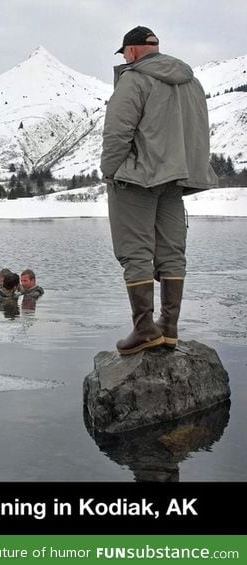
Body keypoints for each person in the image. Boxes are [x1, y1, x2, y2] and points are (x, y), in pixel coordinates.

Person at [101, 26, 218, 355]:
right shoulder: (190, 82)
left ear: (134, 51)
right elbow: (197, 132)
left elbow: (117, 132)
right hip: (175, 177)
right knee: (171, 251)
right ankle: (169, 328)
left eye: (124, 53)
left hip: (137, 178)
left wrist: (111, 171)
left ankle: (144, 329)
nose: (125, 58)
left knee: (134, 252)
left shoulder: (134, 79)